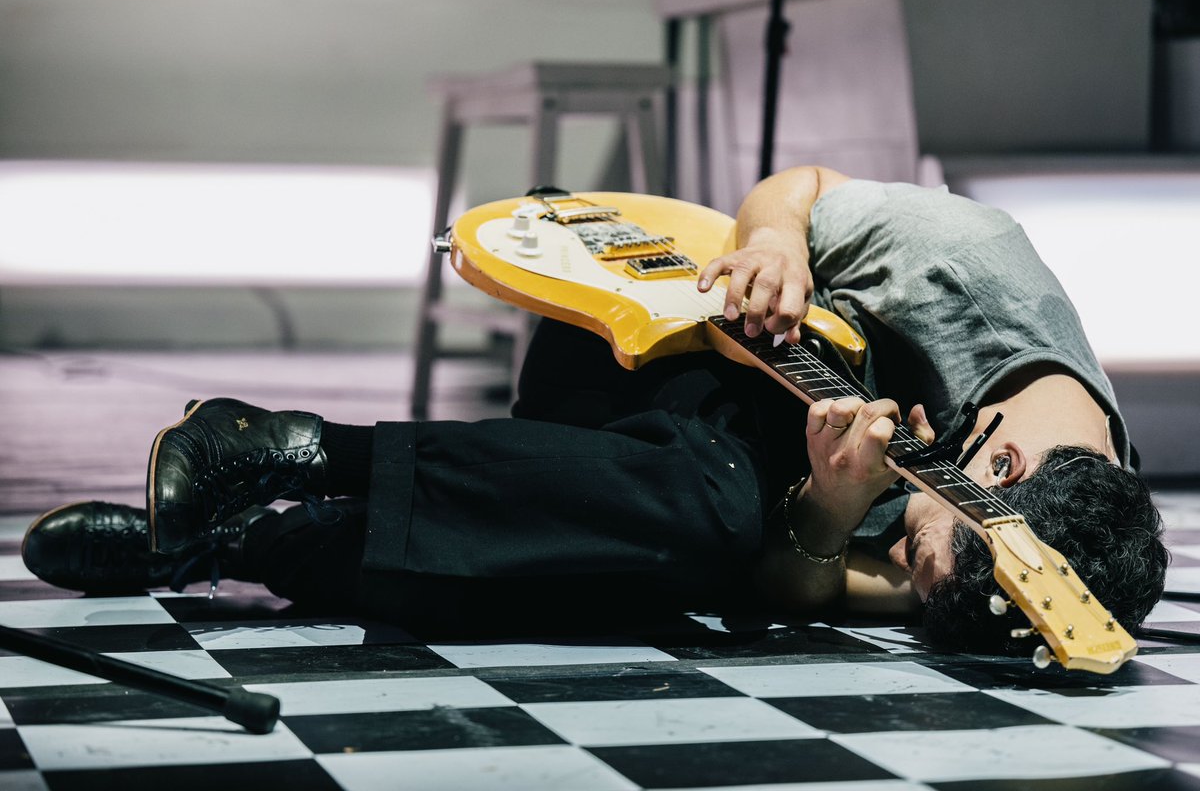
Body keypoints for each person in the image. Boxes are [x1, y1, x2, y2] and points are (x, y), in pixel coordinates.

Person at [22, 166, 1168, 651]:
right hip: (637, 346)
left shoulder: (1052, 554)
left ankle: (249, 532)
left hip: (646, 478)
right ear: (1001, 467)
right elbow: (796, 189)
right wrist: (775, 243)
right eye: (922, 552)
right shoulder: (973, 260)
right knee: (707, 515)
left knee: (686, 557)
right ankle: (297, 459)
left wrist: (826, 510)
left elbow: (796, 576)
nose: (909, 570)